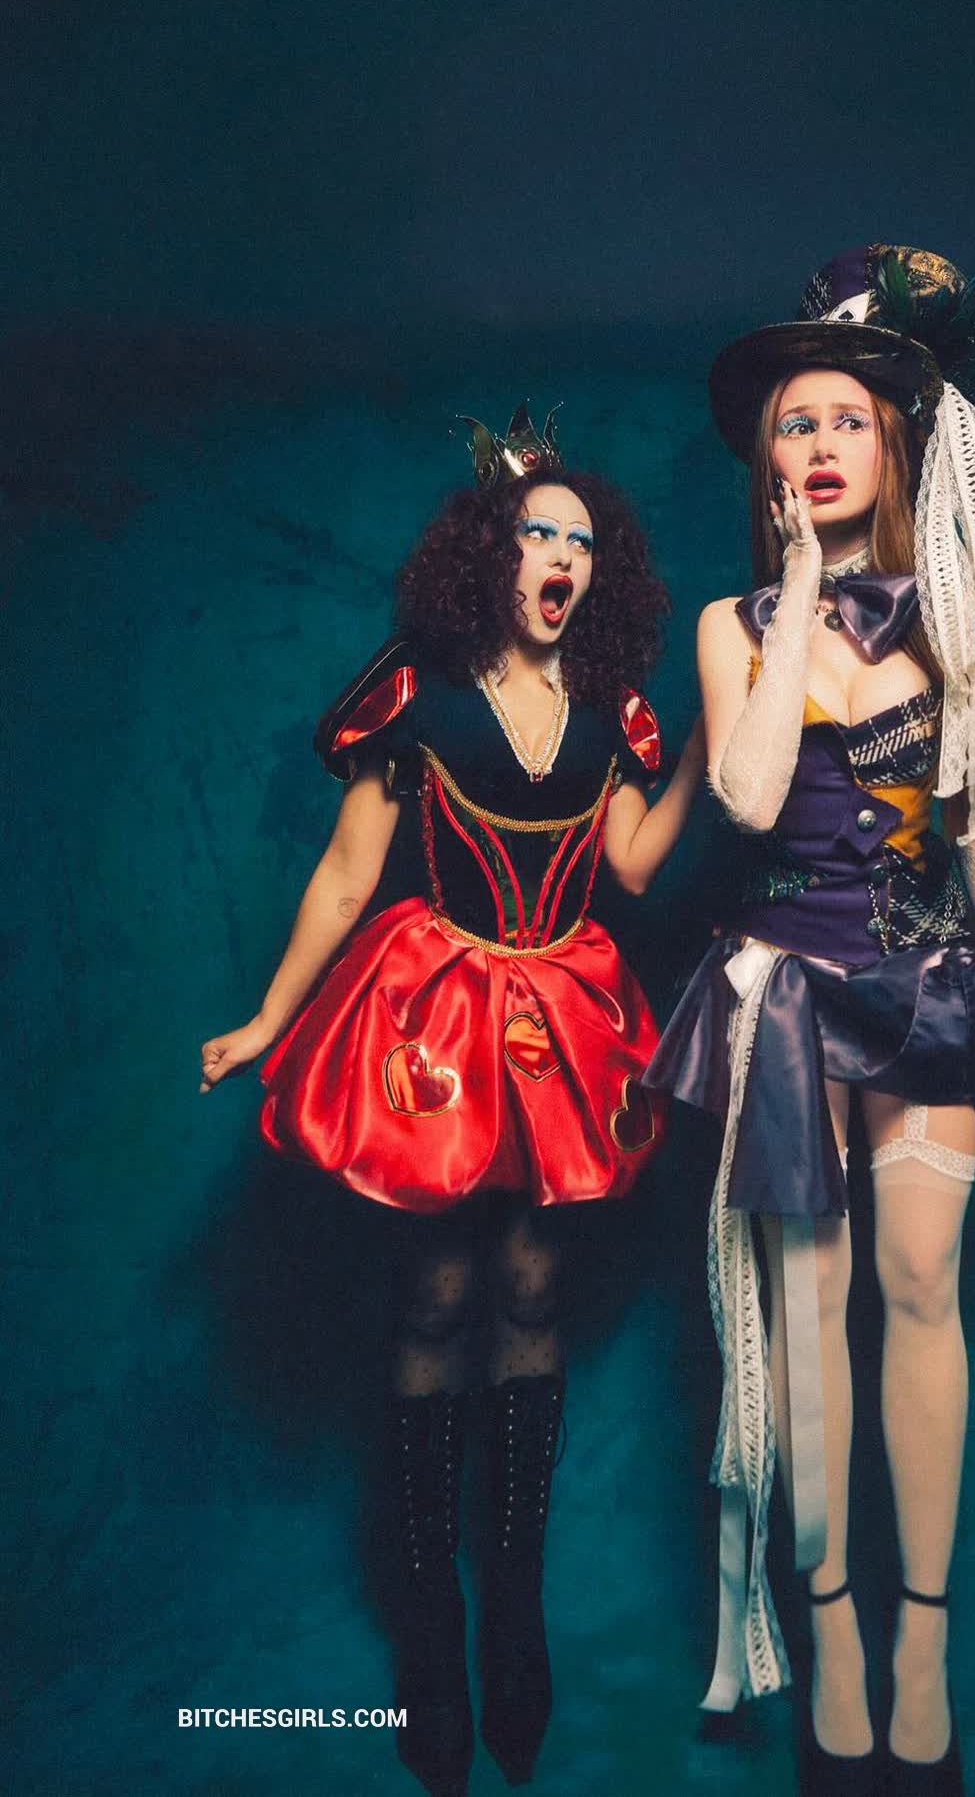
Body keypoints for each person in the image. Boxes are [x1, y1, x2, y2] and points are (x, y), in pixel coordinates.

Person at [200, 405, 706, 1796]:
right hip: (435, 1016)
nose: (562, 558)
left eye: (581, 542)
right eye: (539, 533)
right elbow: (348, 872)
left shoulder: (613, 708)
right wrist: (269, 1018)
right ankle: (431, 1629)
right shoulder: (416, 695)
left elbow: (636, 867)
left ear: (601, 571)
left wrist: (716, 743)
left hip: (563, 1017)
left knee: (532, 1286)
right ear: (491, 552)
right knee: (435, 1294)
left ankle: (514, 1613)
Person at [646, 247, 975, 1794]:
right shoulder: (729, 623)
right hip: (788, 1000)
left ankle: (920, 1638)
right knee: (807, 1329)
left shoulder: (954, 622)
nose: (816, 444)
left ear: (893, 446)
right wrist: (802, 590)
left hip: (929, 990)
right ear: (767, 461)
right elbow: (746, 799)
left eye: (844, 422)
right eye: (791, 426)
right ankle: (831, 1639)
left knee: (919, 1287)